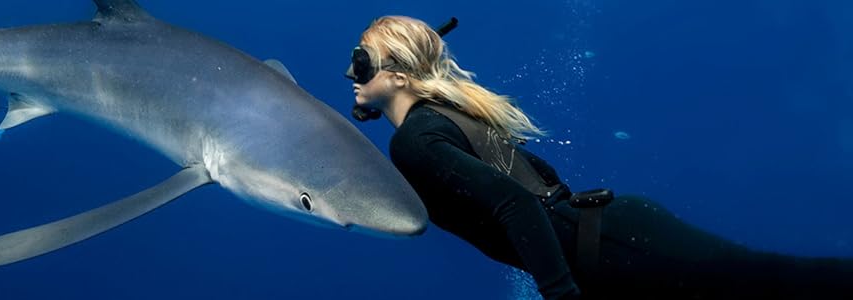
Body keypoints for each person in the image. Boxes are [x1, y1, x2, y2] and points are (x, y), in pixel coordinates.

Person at [343, 15, 853, 300]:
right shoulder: (449, 117)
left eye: (361, 60)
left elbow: (517, 206)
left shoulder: (415, 139)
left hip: (617, 252)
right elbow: (541, 183)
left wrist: (561, 292)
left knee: (779, 281)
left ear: (398, 75)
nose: (350, 72)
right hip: (611, 239)